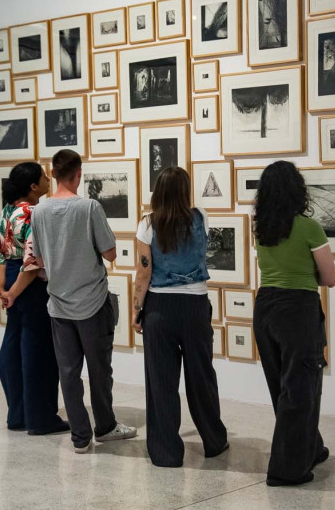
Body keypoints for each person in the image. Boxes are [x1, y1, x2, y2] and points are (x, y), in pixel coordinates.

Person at [30, 149, 137, 453]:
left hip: (59, 304)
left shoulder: (39, 211)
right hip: (92, 302)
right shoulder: (89, 207)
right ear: (78, 174)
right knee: (100, 369)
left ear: (52, 174)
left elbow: (38, 259)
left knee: (68, 373)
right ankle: (104, 426)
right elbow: (110, 253)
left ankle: (80, 436)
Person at [132, 167, 228, 467]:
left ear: (158, 190)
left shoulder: (147, 224)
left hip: (160, 308)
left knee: (161, 380)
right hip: (196, 307)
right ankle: (214, 440)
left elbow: (144, 272)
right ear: (185, 190)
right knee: (202, 376)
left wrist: (137, 309)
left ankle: (166, 452)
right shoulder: (200, 216)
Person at [252, 161, 335, 487]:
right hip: (298, 310)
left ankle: (310, 447)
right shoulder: (309, 228)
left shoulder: (260, 227)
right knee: (301, 390)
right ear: (296, 190)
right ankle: (286, 470)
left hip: (266, 308)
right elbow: (329, 276)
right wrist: (322, 275)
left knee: (283, 388)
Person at [0, 162, 69, 435]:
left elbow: (2, 254)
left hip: (13, 279)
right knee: (38, 353)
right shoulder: (33, 213)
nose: (49, 179)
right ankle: (40, 418)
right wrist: (14, 292)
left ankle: (18, 414)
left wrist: (3, 288)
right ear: (34, 186)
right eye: (44, 176)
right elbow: (33, 263)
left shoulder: (8, 210)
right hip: (30, 285)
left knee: (13, 348)